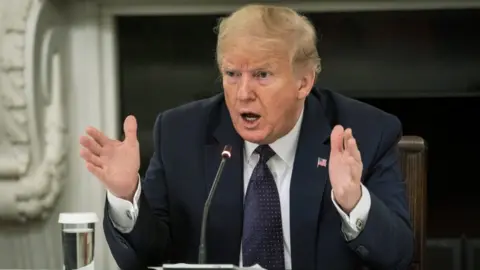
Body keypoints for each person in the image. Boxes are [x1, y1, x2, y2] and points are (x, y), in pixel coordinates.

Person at [79, 4, 413, 270]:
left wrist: (352, 200)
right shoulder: (181, 134)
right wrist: (126, 196)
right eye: (232, 74)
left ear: (303, 83)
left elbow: (397, 256)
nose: (243, 93)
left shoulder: (365, 133)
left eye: (262, 75)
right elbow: (145, 259)